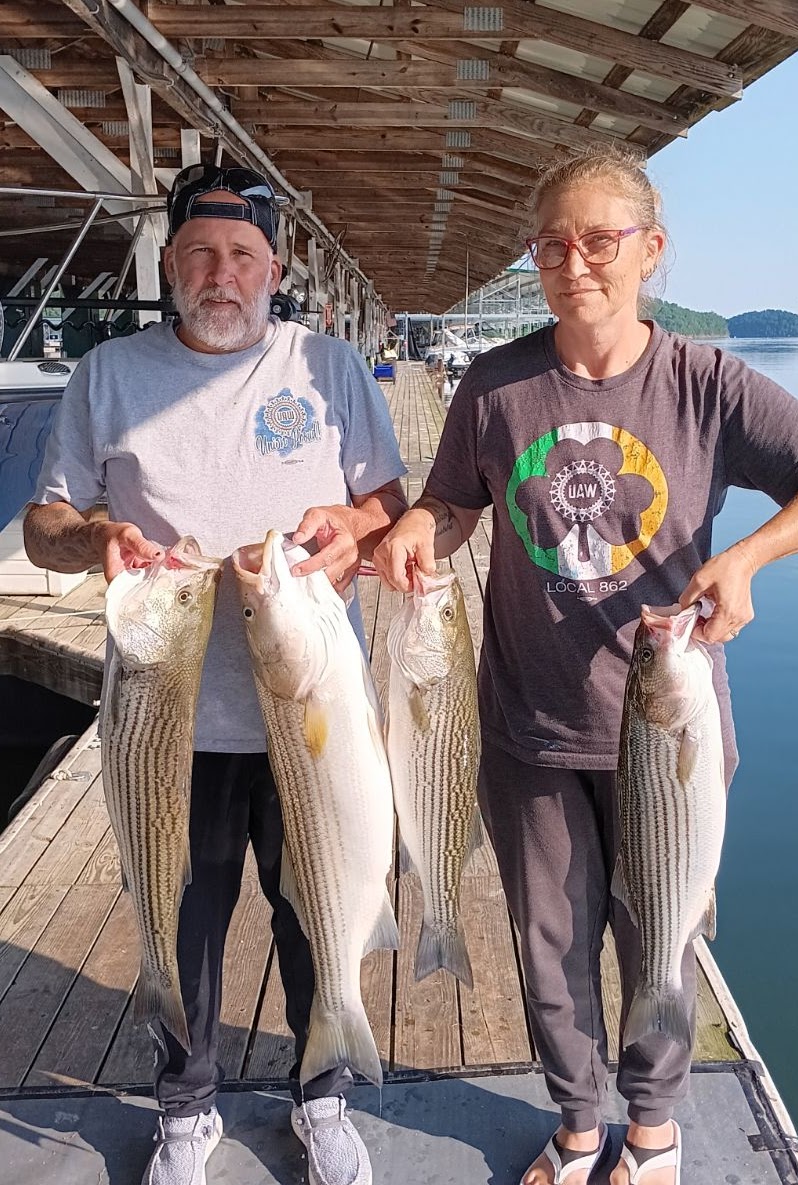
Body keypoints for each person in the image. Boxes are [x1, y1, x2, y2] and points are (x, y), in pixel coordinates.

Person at [373, 145, 798, 1185]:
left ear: (650, 250)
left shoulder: (706, 381)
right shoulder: (498, 383)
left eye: (600, 239)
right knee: (549, 948)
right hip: (526, 724)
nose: (575, 261)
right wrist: (422, 522)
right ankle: (577, 1124)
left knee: (661, 938)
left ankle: (651, 1131)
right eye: (552, 243)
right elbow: (456, 500)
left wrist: (746, 558)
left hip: (668, 724)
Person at [24, 163, 408, 1185]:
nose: (220, 273)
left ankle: (319, 1096)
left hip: (313, 715)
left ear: (272, 269)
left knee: (310, 903)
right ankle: (185, 1108)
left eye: (241, 255)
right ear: (168, 263)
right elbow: (44, 524)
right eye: (199, 253)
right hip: (167, 718)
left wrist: (350, 528)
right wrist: (98, 535)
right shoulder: (107, 376)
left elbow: (388, 507)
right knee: (182, 910)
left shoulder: (326, 366)